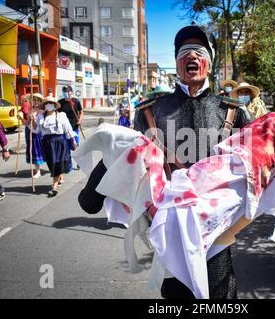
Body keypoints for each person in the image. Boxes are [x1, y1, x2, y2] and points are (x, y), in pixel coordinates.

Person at [78, 25, 251, 299]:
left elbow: (256, 159)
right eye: (184, 52)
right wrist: (92, 193)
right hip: (171, 229)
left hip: (217, 229)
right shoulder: (152, 110)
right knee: (176, 293)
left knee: (219, 292)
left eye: (199, 51)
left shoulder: (231, 110)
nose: (191, 55)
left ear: (209, 61)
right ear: (177, 62)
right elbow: (127, 151)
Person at [30, 96, 77, 197]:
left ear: (55, 105)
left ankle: (54, 187)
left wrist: (73, 140)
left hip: (59, 141)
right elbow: (37, 130)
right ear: (44, 106)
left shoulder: (61, 116)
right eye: (47, 103)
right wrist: (32, 121)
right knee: (51, 164)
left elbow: (68, 129)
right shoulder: (40, 116)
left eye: (51, 103)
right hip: (46, 143)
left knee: (57, 163)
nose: (49, 105)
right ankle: (59, 176)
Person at [19, 93, 46, 178]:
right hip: (30, 133)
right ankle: (37, 171)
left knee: (40, 152)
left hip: (38, 135)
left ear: (40, 102)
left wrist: (33, 120)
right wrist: (21, 119)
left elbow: (37, 127)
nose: (36, 102)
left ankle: (53, 170)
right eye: (34, 100)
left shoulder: (41, 112)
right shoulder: (31, 110)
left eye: (38, 100)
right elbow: (27, 124)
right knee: (33, 152)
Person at [58, 85, 83, 170]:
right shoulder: (60, 103)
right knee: (66, 147)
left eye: (68, 92)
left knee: (75, 145)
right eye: (64, 92)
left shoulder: (76, 101)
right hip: (64, 128)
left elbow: (81, 112)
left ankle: (79, 161)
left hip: (74, 126)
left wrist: (80, 120)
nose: (66, 94)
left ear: (71, 92)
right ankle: (69, 165)